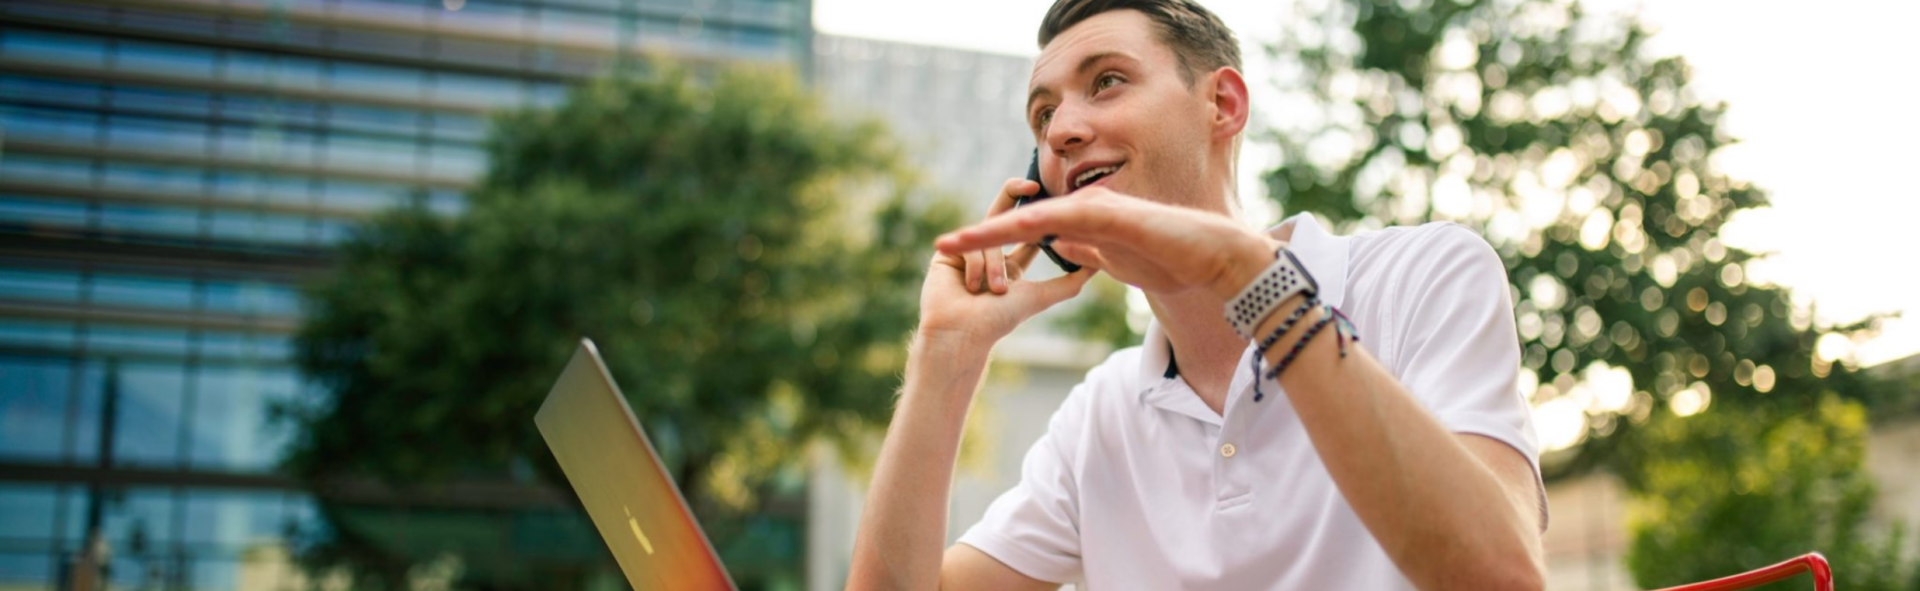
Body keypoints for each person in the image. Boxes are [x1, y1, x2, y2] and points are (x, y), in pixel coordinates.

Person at [848, 1, 1547, 589]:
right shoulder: (1101, 414)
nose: (1061, 130)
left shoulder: (1423, 275)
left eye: (1108, 81)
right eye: (1042, 117)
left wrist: (1254, 284)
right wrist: (947, 352)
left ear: (1223, 103)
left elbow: (1502, 575)